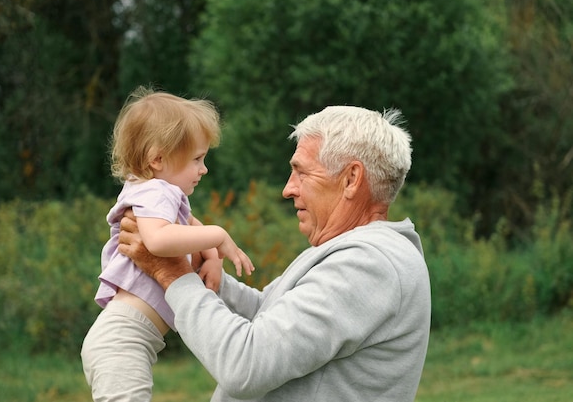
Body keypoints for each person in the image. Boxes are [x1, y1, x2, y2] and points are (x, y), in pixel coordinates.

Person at [119, 105, 431, 401]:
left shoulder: (368, 264)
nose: (288, 188)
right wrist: (202, 270)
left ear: (351, 179)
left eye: (302, 172)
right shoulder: (347, 251)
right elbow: (266, 315)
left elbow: (245, 366)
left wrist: (171, 273)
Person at [81, 86, 254, 402]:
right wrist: (218, 235)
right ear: (158, 159)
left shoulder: (154, 193)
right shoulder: (157, 193)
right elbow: (158, 241)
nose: (204, 169)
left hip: (125, 337)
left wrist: (212, 258)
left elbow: (189, 226)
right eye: (197, 159)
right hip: (124, 338)